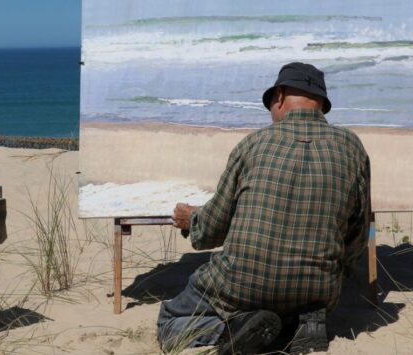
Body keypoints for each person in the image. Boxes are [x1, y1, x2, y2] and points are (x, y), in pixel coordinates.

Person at [156, 62, 371, 354]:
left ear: (280, 96)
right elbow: (358, 232)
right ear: (320, 104)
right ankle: (303, 322)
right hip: (318, 290)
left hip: (242, 285)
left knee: (170, 321)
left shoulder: (253, 145)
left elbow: (213, 230)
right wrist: (335, 272)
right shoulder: (352, 148)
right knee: (304, 292)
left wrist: (191, 219)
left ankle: (236, 328)